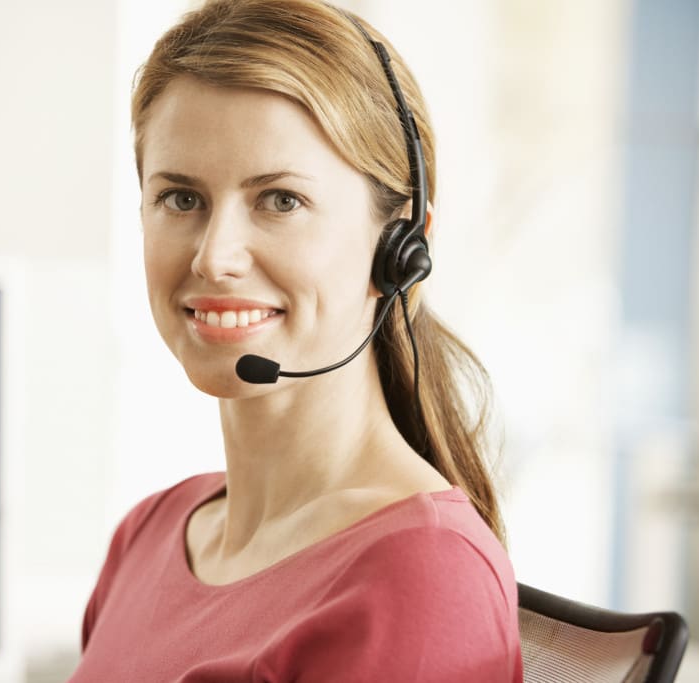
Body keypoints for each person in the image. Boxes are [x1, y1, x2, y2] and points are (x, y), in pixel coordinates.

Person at [69, 0, 522, 680]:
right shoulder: (149, 533)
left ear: (401, 246)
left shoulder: (421, 579)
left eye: (279, 200)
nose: (215, 257)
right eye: (181, 198)